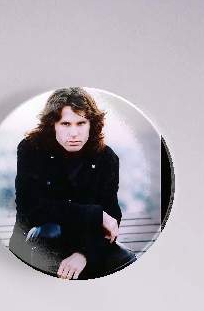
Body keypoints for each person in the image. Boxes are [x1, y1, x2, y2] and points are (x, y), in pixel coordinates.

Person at [8, 88, 136, 279]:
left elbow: (112, 217)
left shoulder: (106, 157)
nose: (74, 133)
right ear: (53, 124)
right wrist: (96, 214)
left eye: (81, 123)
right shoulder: (31, 149)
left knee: (128, 261)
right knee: (49, 233)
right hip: (39, 239)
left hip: (85, 241)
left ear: (91, 124)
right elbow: (31, 209)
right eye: (65, 123)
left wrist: (84, 254)